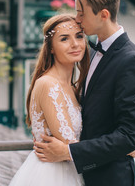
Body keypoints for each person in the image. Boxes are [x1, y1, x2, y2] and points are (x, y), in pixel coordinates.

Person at [34, 0, 135, 186]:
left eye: (81, 13)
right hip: (80, 175)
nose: (76, 20)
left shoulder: (131, 60)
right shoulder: (90, 54)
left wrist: (69, 151)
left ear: (103, 15)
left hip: (110, 178)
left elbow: (129, 134)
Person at [9, 14, 90, 186]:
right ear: (51, 47)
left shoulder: (73, 88)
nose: (75, 44)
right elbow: (70, 143)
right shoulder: (48, 85)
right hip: (51, 176)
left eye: (79, 36)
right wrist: (120, 150)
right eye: (64, 39)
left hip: (70, 170)